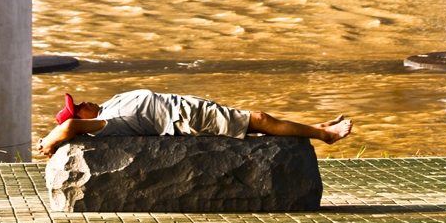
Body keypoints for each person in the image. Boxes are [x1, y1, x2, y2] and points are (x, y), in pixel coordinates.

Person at [36, 88, 352, 157]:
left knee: (256, 123)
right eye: (78, 107)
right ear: (81, 119)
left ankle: (316, 128)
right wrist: (50, 140)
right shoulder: (105, 125)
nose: (82, 103)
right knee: (259, 119)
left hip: (188, 106)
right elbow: (69, 128)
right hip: (186, 118)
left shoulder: (108, 105)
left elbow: (69, 124)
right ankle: (324, 135)